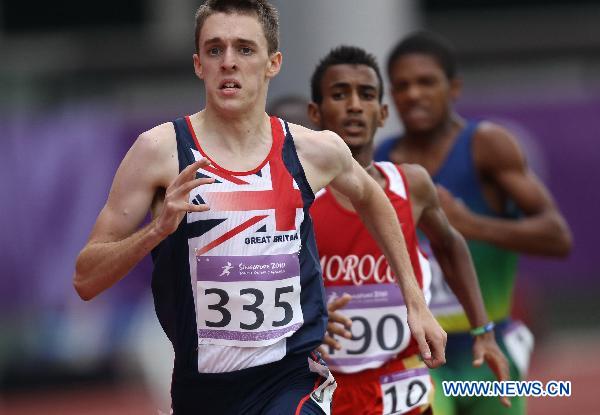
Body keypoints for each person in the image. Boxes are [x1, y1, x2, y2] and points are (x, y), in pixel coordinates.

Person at [72, 2, 447, 414]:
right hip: (203, 390)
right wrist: (157, 230)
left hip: (291, 378)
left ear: (273, 63)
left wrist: (414, 300)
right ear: (199, 64)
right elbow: (86, 278)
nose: (229, 62)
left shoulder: (312, 150)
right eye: (215, 50)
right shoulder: (159, 152)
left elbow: (373, 198)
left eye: (245, 49)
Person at [375, 31, 572, 415]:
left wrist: (468, 224)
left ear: (454, 88)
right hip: (420, 353)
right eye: (402, 85)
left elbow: (557, 236)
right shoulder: (382, 162)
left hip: (488, 348)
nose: (413, 94)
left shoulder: (487, 145)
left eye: (426, 82)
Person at [308, 45, 509, 415]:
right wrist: (306, 318)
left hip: (401, 382)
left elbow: (450, 245)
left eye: (366, 95)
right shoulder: (299, 194)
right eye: (340, 94)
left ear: (383, 113)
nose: (354, 105)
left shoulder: (411, 185)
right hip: (325, 386)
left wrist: (484, 332)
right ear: (315, 113)